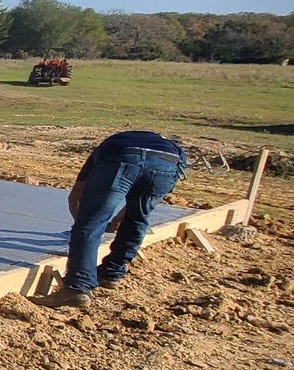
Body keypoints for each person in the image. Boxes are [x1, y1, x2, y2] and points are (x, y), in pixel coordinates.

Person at [43, 129, 188, 308]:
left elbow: (75, 196)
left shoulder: (110, 145)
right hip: (166, 166)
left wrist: (85, 222)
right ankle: (111, 273)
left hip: (123, 160)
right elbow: (144, 203)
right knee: (138, 219)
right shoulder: (173, 148)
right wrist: (120, 216)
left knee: (91, 224)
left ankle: (77, 288)